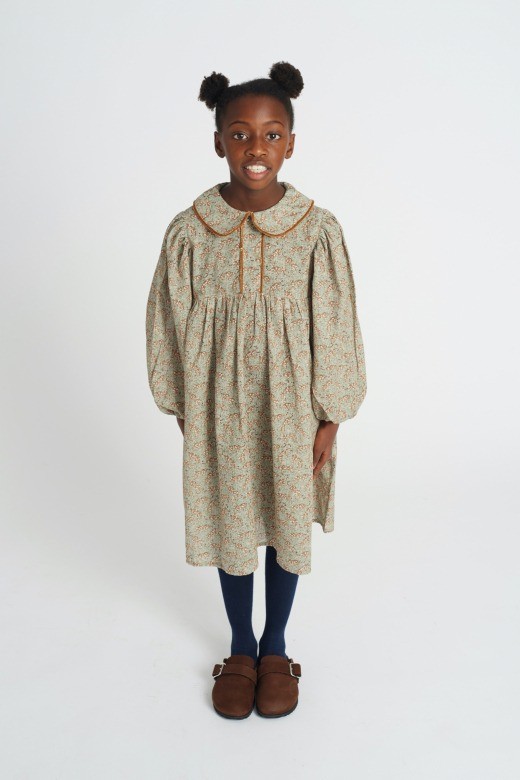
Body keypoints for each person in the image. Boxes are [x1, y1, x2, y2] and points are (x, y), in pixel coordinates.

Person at [145, 61, 367, 719]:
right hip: (219, 407)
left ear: (291, 144)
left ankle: (276, 646)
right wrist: (184, 403)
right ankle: (240, 645)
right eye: (240, 134)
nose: (256, 148)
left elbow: (336, 322)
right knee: (234, 517)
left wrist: (332, 416)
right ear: (218, 141)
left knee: (286, 517)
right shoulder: (191, 230)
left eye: (271, 135)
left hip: (294, 405)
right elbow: (167, 318)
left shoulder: (316, 229)